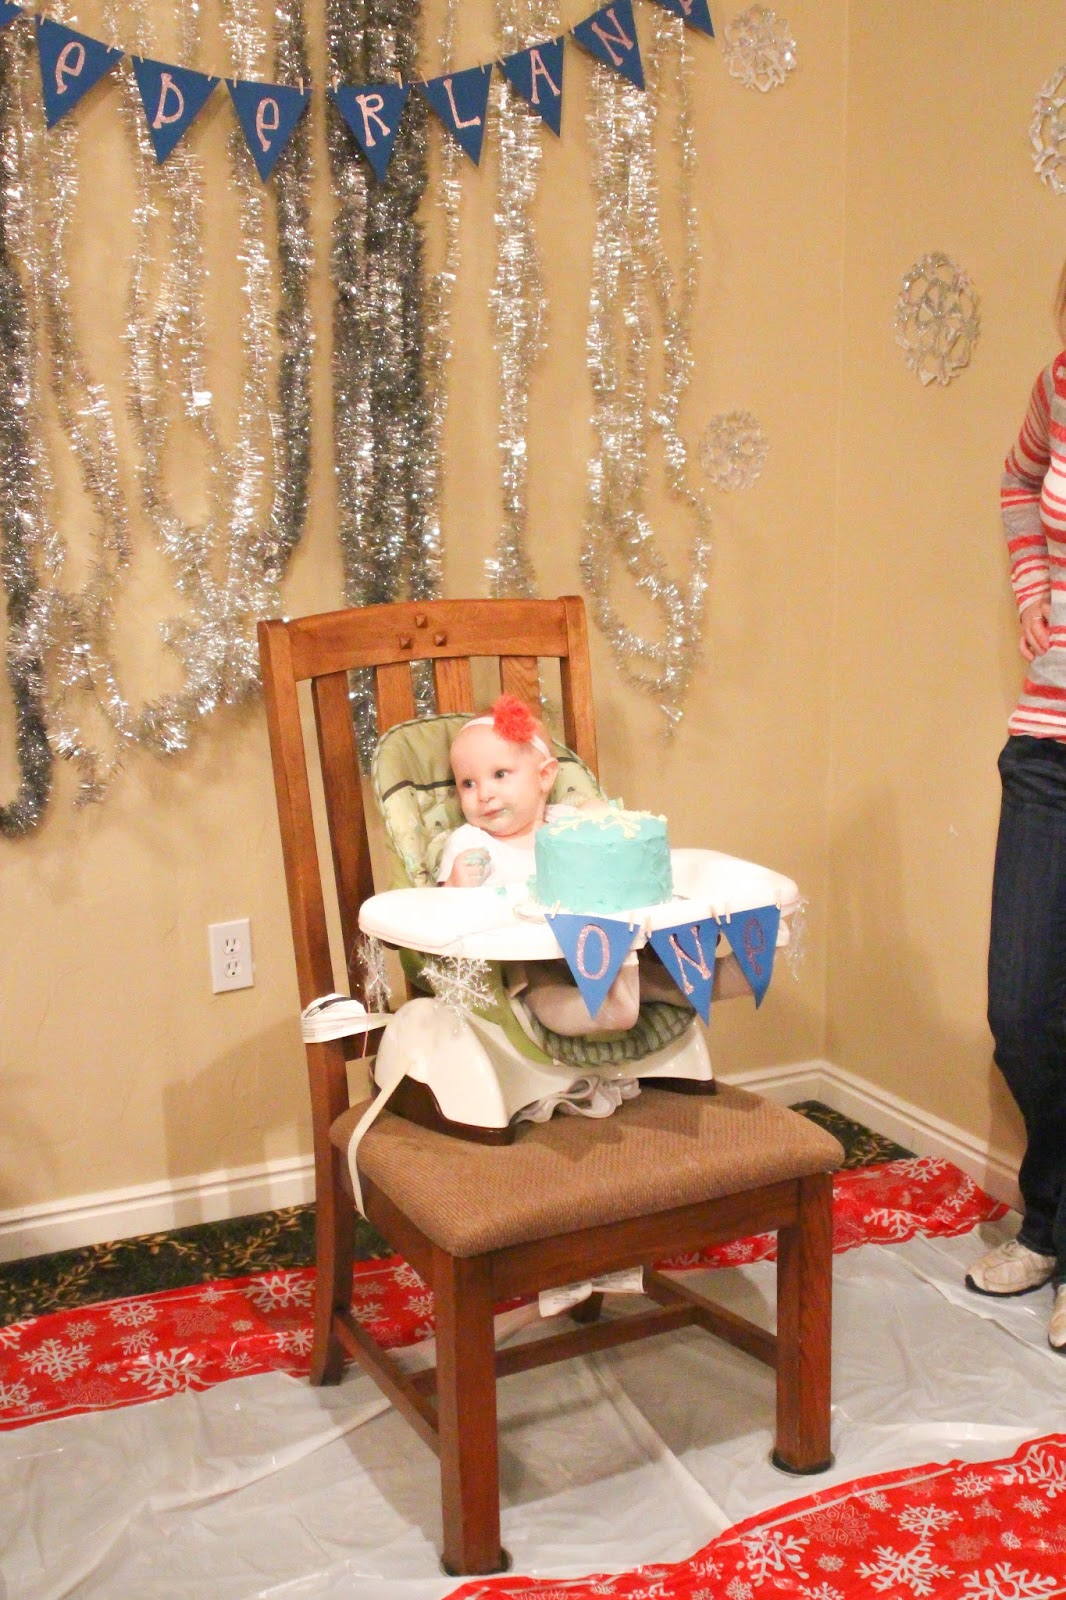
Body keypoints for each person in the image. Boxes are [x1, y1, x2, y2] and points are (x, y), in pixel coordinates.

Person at [969, 259, 1066, 1351]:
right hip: (1045, 742)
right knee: (1024, 1010)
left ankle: (1049, 1226)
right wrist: (1034, 594)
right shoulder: (1057, 384)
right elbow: (1015, 484)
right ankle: (1051, 1218)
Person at [437, 694, 687, 1035]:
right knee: (541, 988)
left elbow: (613, 849)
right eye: (468, 783)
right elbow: (439, 911)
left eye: (499, 774)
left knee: (649, 970)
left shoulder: (566, 824)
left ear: (544, 777)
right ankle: (612, 1011)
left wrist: (599, 816)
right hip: (525, 957)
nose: (484, 794)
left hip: (596, 943)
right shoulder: (470, 842)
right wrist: (455, 885)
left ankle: (703, 981)